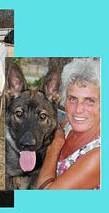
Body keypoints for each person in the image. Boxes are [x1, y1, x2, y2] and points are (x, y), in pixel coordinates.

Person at [36, 58, 101, 189]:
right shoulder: (67, 126)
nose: (78, 109)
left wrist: (54, 148)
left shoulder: (99, 155)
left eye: (89, 100)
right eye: (73, 99)